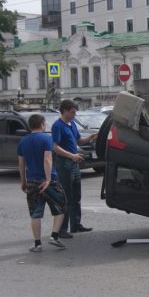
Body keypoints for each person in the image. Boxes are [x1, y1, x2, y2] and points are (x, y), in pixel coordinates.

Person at [17, 114, 67, 252]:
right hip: (49, 181)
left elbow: (21, 165)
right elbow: (47, 160)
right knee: (60, 208)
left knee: (35, 213)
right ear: (42, 125)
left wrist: (23, 181)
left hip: (32, 181)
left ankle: (37, 244)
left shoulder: (22, 142)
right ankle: (54, 236)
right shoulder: (47, 138)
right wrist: (48, 179)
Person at [52, 99, 97, 238]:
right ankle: (62, 229)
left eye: (75, 111)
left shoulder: (71, 124)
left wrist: (90, 137)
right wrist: (72, 156)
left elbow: (78, 141)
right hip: (64, 164)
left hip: (74, 163)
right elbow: (55, 147)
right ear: (65, 111)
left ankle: (76, 225)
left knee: (76, 196)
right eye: (72, 111)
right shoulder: (57, 126)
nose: (74, 114)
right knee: (66, 197)